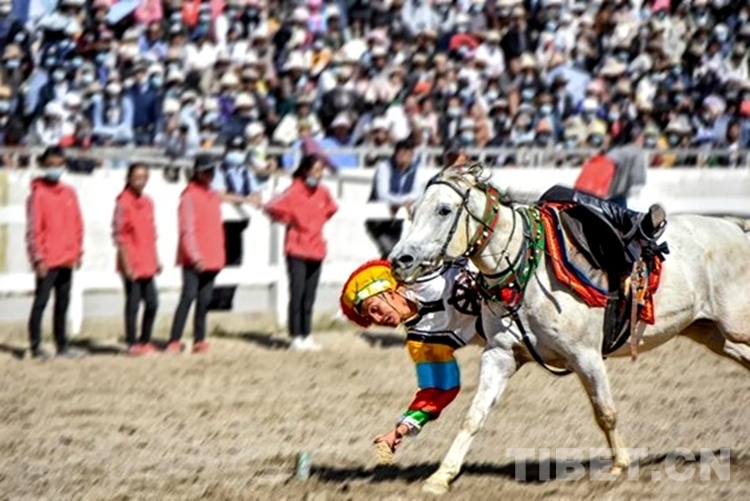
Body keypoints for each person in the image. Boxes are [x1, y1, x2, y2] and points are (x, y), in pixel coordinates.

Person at [339, 258, 482, 456]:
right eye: (370, 319)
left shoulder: (425, 276)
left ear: (389, 293)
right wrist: (399, 431)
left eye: (374, 309)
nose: (378, 319)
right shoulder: (422, 343)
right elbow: (438, 389)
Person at [262, 153, 338, 351]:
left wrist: (315, 223)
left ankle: (307, 334)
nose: (319, 174)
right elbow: (270, 206)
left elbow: (331, 209)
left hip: (316, 248)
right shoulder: (293, 191)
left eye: (321, 170)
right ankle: (296, 335)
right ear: (305, 171)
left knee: (309, 295)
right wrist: (288, 220)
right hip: (296, 249)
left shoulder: (323, 192)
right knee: (297, 293)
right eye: (315, 170)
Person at [25, 146, 85, 360]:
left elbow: (77, 224)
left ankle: (62, 345)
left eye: (58, 164)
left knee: (63, 303)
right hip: (47, 259)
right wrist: (38, 258)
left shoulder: (69, 193)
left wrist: (78, 251)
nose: (55, 168)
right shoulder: (38, 194)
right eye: (51, 164)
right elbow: (34, 229)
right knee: (40, 302)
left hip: (67, 257)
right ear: (44, 165)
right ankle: (35, 345)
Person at [167, 154, 226, 354]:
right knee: (188, 296)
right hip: (194, 257)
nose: (210, 174)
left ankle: (199, 339)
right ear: (197, 172)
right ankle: (174, 339)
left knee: (204, 300)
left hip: (212, 255)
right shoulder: (189, 196)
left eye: (212, 171)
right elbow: (187, 229)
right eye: (206, 171)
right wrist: (195, 256)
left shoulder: (212, 195)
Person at [112, 163, 160, 356]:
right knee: (133, 303)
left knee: (152, 302)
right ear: (129, 178)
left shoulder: (148, 202)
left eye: (144, 177)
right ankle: (132, 343)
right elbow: (120, 235)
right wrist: (126, 264)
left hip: (147, 259)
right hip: (131, 260)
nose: (140, 181)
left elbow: (151, 233)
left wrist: (156, 259)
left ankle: (145, 340)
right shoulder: (123, 203)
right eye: (137, 177)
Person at [366, 139, 421, 259]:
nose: (405, 157)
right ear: (395, 153)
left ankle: (385, 269)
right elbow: (382, 195)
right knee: (389, 251)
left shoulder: (414, 169)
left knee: (394, 253)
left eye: (408, 154)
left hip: (396, 220)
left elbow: (417, 193)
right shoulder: (384, 167)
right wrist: (403, 202)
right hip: (378, 220)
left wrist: (401, 202)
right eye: (402, 153)